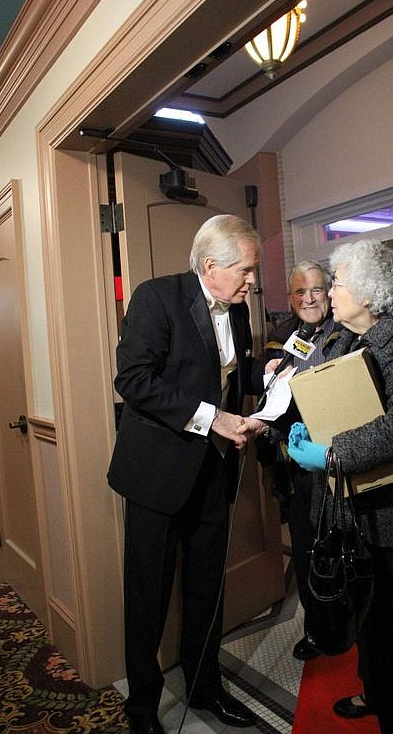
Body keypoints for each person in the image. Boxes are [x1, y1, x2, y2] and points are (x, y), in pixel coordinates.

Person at [107, 214, 270, 734]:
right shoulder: (157, 297)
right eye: (245, 270)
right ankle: (141, 711)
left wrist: (263, 374)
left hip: (212, 473)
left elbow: (228, 373)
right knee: (148, 598)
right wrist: (212, 418)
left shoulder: (239, 310)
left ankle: (205, 688)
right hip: (156, 476)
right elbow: (133, 380)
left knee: (207, 589)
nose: (252, 282)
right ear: (210, 266)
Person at [287, 239, 393, 734]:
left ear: (370, 292)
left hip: (390, 507)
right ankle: (377, 692)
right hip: (354, 504)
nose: (330, 292)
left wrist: (331, 453)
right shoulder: (344, 337)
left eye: (338, 282)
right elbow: (319, 388)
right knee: (368, 616)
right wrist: (304, 426)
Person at [262, 261, 340, 661]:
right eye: (300, 292)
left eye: (317, 290)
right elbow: (269, 407)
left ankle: (352, 623)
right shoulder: (280, 339)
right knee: (308, 548)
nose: (309, 299)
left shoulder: (349, 331)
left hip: (344, 458)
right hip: (297, 464)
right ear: (290, 298)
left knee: (345, 546)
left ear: (329, 291)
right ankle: (318, 629)